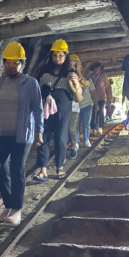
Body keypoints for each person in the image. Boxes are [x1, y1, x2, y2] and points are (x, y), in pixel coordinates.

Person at [0, 42, 43, 226]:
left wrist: (39, 132)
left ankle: (16, 209)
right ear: (3, 63)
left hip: (21, 135)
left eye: (15, 62)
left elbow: (38, 109)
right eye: (7, 62)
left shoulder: (31, 83)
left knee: (17, 170)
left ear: (22, 64)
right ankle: (9, 204)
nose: (11, 66)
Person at [32, 39, 82, 181]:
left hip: (63, 112)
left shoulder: (70, 74)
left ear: (66, 56)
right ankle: (43, 170)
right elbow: (36, 90)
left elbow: (78, 97)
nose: (58, 58)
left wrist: (76, 83)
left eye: (61, 55)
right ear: (51, 56)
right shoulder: (44, 72)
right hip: (46, 112)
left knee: (60, 139)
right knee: (43, 139)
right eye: (55, 55)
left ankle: (60, 167)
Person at [68, 55, 93, 155]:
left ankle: (85, 140)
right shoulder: (64, 76)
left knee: (84, 124)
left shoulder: (83, 78)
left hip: (83, 105)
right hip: (69, 106)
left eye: (75, 65)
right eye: (70, 65)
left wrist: (78, 77)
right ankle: (75, 142)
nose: (72, 67)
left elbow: (88, 85)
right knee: (74, 127)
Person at [87, 62, 112, 136]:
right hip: (92, 97)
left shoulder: (103, 76)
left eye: (98, 68)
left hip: (102, 97)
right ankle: (93, 128)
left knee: (100, 110)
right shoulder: (90, 76)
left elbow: (108, 85)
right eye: (95, 68)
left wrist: (110, 95)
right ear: (93, 69)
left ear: (100, 69)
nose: (97, 69)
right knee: (93, 112)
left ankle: (100, 127)